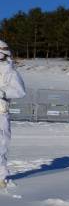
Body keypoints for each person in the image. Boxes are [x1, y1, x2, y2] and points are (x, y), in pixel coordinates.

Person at [0, 40, 27, 190]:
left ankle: (0, 179)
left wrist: (3, 92)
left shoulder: (10, 72)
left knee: (0, 147)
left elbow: (20, 91)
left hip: (0, 114)